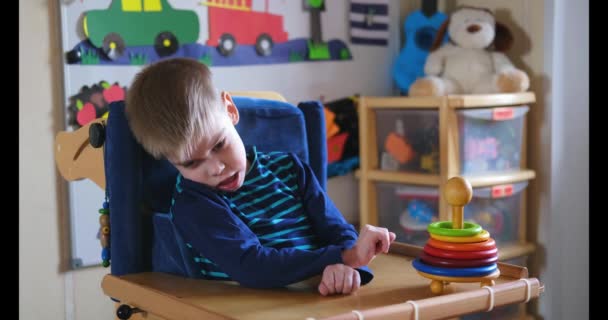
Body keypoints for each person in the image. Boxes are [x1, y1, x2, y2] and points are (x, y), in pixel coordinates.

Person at [125, 57, 396, 296]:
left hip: (316, 299)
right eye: (192, 163)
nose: (215, 168)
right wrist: (344, 256)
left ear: (229, 110)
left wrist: (350, 265)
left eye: (219, 145)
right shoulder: (194, 204)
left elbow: (336, 230)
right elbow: (252, 265)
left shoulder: (290, 168)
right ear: (172, 162)